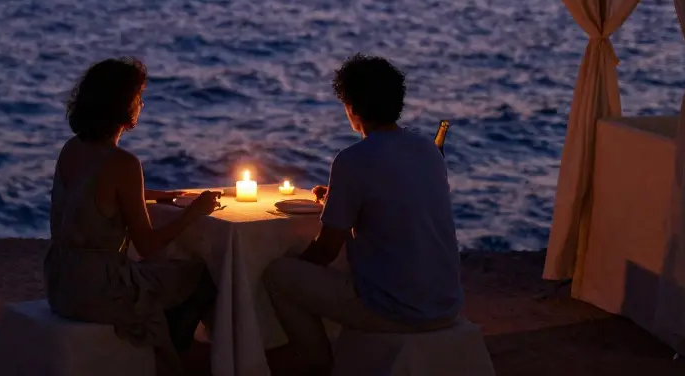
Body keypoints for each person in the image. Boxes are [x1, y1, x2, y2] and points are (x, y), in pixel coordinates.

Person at [264, 54, 463, 375]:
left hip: (395, 311)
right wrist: (341, 201)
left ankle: (317, 364)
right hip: (447, 303)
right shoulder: (427, 150)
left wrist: (296, 266)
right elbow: (397, 203)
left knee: (277, 273)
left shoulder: (352, 160)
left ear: (352, 108)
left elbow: (325, 251)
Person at [44, 57, 220, 376]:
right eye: (138, 97)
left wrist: (156, 195)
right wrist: (195, 211)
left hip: (60, 283)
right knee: (204, 276)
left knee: (161, 274)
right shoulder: (123, 163)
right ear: (123, 105)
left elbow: (94, 194)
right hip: (100, 291)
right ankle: (171, 351)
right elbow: (148, 244)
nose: (141, 104)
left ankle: (161, 333)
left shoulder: (72, 148)